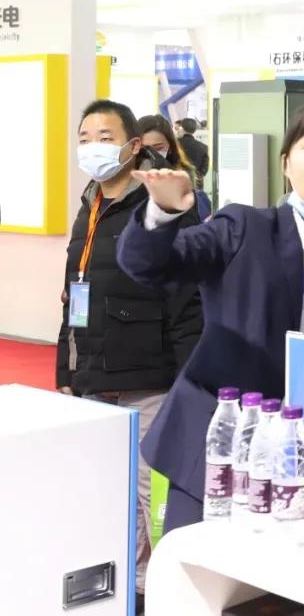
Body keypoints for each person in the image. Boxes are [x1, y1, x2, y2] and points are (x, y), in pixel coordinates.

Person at [118, 100, 304, 533]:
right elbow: (150, 265)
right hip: (223, 457)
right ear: (286, 163)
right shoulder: (244, 229)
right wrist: (163, 212)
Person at [56, 99, 203, 595]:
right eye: (85, 138)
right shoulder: (89, 206)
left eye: (105, 137)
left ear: (133, 145)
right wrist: (66, 368)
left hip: (150, 377)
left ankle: (165, 591)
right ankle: (126, 589)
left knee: (152, 495)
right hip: (94, 373)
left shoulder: (160, 207)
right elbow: (73, 293)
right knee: (105, 491)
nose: (92, 147)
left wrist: (190, 383)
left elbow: (187, 302)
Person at [138, 114, 211, 220]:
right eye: (144, 149)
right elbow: (204, 168)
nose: (151, 154)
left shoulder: (193, 197)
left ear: (170, 147)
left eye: (158, 148)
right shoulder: (122, 188)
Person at [175, 117, 209, 186]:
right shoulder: (203, 147)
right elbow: (204, 169)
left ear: (182, 128)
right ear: (194, 130)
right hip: (195, 185)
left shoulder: (174, 144)